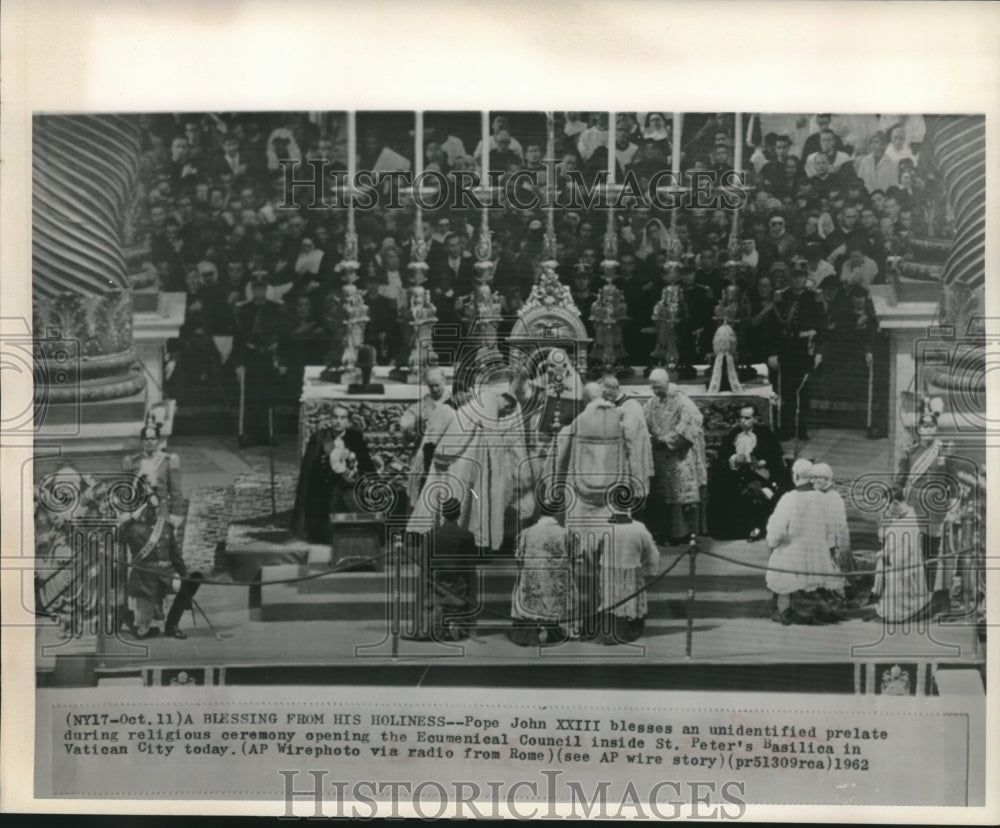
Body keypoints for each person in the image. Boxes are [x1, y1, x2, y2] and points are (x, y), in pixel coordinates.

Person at [765, 458, 845, 624]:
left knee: (784, 579)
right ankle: (820, 610)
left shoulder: (789, 499)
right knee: (815, 579)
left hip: (792, 551)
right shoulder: (822, 498)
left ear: (795, 476)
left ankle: (784, 612)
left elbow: (777, 528)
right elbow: (831, 527)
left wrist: (772, 543)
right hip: (816, 550)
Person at [290, 404, 377, 543]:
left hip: (350, 485)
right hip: (326, 486)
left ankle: (357, 534)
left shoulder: (355, 436)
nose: (338, 421)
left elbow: (366, 464)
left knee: (357, 503)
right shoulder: (319, 438)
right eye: (335, 417)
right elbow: (309, 470)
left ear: (348, 421)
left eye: (343, 418)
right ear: (330, 419)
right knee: (333, 501)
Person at [894, 398, 954, 591]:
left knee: (933, 550)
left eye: (932, 425)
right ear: (919, 429)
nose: (928, 429)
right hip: (914, 507)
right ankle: (913, 590)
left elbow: (951, 482)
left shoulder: (943, 452)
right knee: (914, 550)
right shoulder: (909, 453)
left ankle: (930, 590)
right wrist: (898, 501)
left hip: (937, 509)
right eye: (924, 425)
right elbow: (899, 482)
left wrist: (953, 505)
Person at [643, 370, 707, 544]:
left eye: (658, 387)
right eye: (653, 387)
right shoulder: (652, 402)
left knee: (678, 494)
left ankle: (681, 534)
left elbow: (694, 423)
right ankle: (662, 532)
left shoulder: (682, 401)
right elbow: (644, 422)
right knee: (661, 494)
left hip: (679, 456)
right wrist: (649, 438)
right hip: (659, 456)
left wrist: (666, 441)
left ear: (666, 383)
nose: (655, 391)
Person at [120, 489, 195, 640]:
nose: (152, 512)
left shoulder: (166, 526)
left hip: (166, 574)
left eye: (155, 508)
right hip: (144, 577)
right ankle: (132, 621)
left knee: (187, 584)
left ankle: (172, 625)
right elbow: (117, 538)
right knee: (143, 632)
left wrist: (185, 575)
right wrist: (130, 520)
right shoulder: (131, 528)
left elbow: (175, 556)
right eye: (148, 508)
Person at [708, 405, 788, 541]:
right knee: (721, 489)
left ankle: (755, 527)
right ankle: (729, 530)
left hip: (759, 474)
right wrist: (733, 459)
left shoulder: (765, 435)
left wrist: (759, 462)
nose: (743, 421)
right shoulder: (734, 434)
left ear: (755, 419)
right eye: (741, 418)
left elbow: (775, 458)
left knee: (752, 491)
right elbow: (723, 456)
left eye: (747, 418)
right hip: (735, 474)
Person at [404, 498, 478, 642]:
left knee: (428, 586)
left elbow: (422, 561)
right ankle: (454, 626)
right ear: (459, 514)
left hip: (436, 585)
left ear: (442, 514)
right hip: (459, 586)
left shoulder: (431, 536)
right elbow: (470, 564)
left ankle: (433, 625)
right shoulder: (467, 536)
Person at [508, 499, 577, 646]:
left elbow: (518, 556)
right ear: (557, 511)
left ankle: (531, 633)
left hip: (533, 580)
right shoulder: (565, 533)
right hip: (555, 581)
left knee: (531, 598)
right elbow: (573, 557)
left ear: (541, 511)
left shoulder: (527, 533)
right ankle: (554, 632)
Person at [768, 266, 825, 441]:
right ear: (789, 278)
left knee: (804, 390)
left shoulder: (813, 297)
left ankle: (802, 429)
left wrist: (819, 352)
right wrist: (773, 353)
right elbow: (775, 328)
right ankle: (787, 428)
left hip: (806, 348)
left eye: (801, 276)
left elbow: (821, 326)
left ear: (806, 278)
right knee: (786, 390)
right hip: (787, 348)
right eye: (794, 276)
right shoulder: (781, 297)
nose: (798, 280)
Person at [589, 510, 660, 645]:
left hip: (608, 569)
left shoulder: (602, 527)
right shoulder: (639, 527)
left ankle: (612, 629)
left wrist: (596, 565)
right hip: (632, 568)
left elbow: (591, 548)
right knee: (631, 598)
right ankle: (629, 629)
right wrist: (648, 568)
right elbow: (651, 551)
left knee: (610, 599)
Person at [233, 276, 286, 447]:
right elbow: (239, 338)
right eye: (256, 288)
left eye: (262, 288)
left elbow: (283, 336)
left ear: (266, 289)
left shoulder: (276, 309)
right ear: (252, 289)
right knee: (251, 398)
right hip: (251, 357)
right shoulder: (244, 310)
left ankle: (269, 434)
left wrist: (282, 359)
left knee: (269, 396)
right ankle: (248, 434)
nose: (259, 292)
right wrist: (239, 363)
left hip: (269, 357)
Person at [873, 487, 932, 623]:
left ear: (896, 503)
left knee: (898, 589)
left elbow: (909, 548)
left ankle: (902, 609)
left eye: (887, 506)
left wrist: (888, 556)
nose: (886, 509)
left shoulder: (908, 519)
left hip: (904, 564)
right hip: (895, 560)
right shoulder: (900, 515)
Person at [400, 368, 456, 509]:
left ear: (444, 382)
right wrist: (408, 425)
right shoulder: (424, 403)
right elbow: (408, 417)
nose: (435, 389)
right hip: (428, 453)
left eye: (437, 385)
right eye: (431, 386)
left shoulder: (455, 400)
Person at [122, 424, 184, 525]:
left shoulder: (168, 461)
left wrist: (175, 515)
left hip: (161, 513)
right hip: (138, 513)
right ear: (141, 441)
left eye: (153, 438)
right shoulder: (132, 461)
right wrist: (126, 511)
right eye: (146, 439)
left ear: (158, 440)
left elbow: (176, 492)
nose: (149, 442)